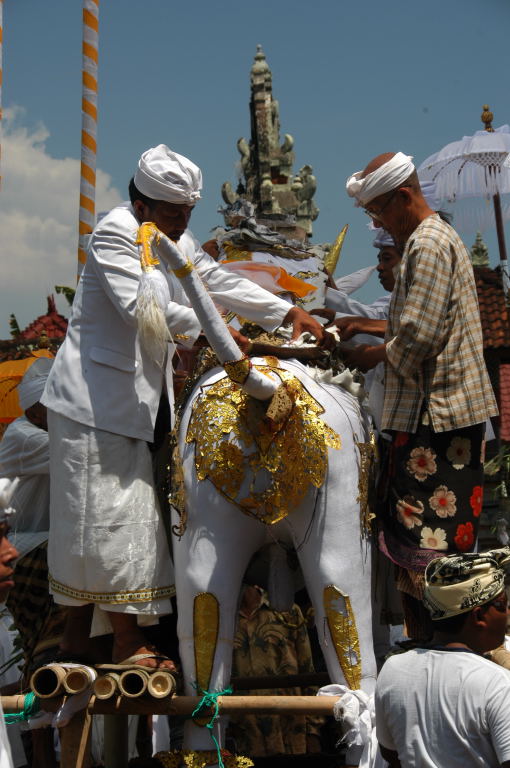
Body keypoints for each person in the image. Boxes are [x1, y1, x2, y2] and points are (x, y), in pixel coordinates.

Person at [41, 144, 330, 670]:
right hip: (93, 403)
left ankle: (76, 642)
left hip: (138, 405)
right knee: (107, 521)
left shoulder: (174, 237)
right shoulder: (113, 234)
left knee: (104, 522)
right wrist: (227, 338)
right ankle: (128, 645)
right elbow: (144, 308)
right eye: (174, 214)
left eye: (188, 214)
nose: (182, 224)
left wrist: (286, 311)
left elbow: (213, 281)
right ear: (142, 204)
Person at [343, 152, 498, 639]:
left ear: (404, 196)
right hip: (435, 415)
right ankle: (434, 640)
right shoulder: (428, 241)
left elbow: (420, 336)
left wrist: (373, 355)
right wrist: (370, 328)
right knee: (428, 539)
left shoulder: (426, 243)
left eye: (380, 211)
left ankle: (441, 642)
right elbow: (420, 323)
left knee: (429, 542)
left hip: (437, 417)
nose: (379, 223)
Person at [375, 548, 510, 768]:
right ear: (479, 616)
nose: (508, 614)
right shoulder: (497, 683)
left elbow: (391, 755)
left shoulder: (393, 669)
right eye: (503, 606)